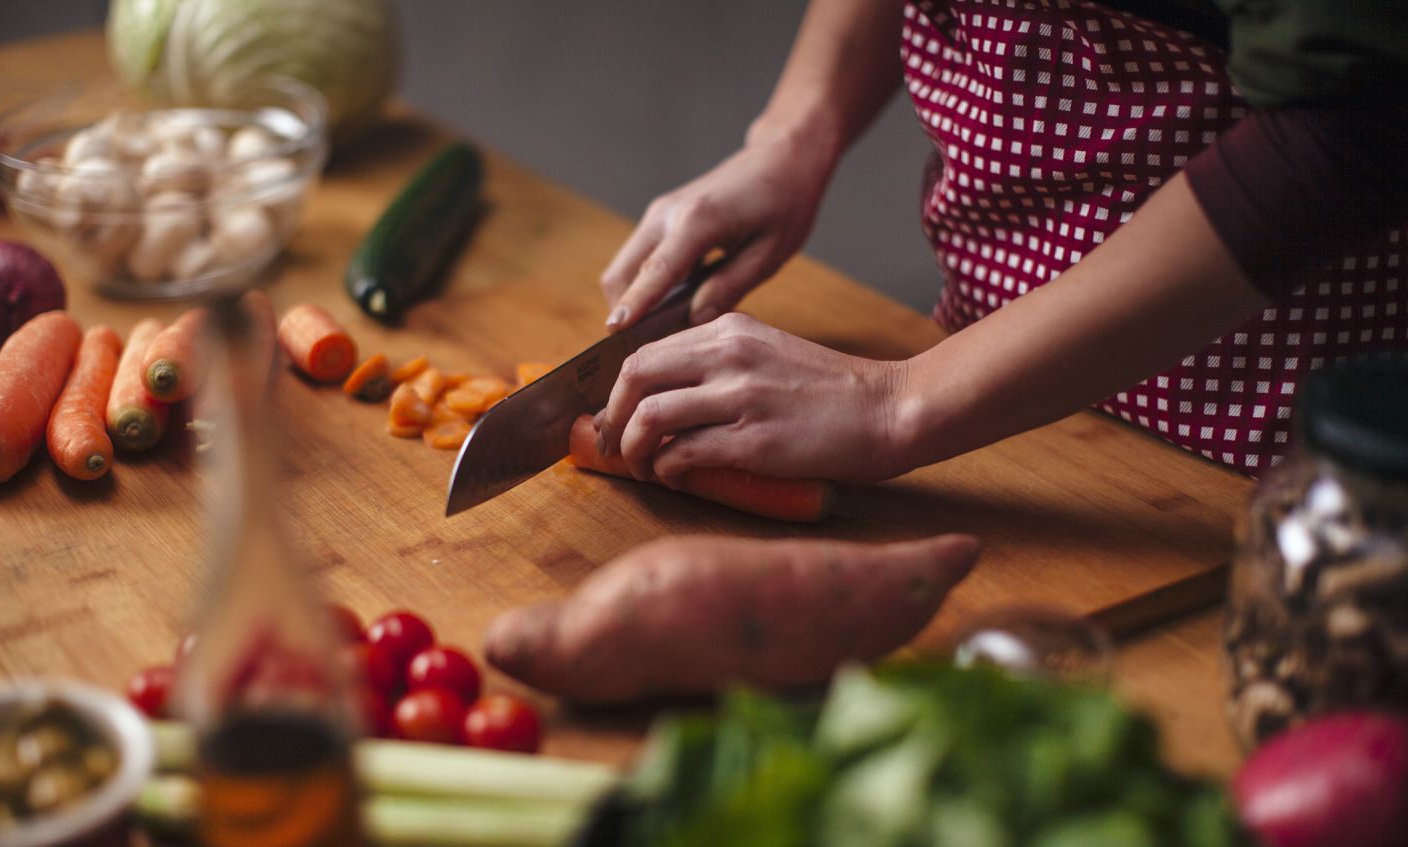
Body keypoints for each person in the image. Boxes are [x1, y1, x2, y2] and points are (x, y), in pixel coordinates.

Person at [591, 0, 1408, 487]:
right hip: (980, 414)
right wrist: (795, 131)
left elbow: (1346, 124)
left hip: (1257, 453)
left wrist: (895, 404)